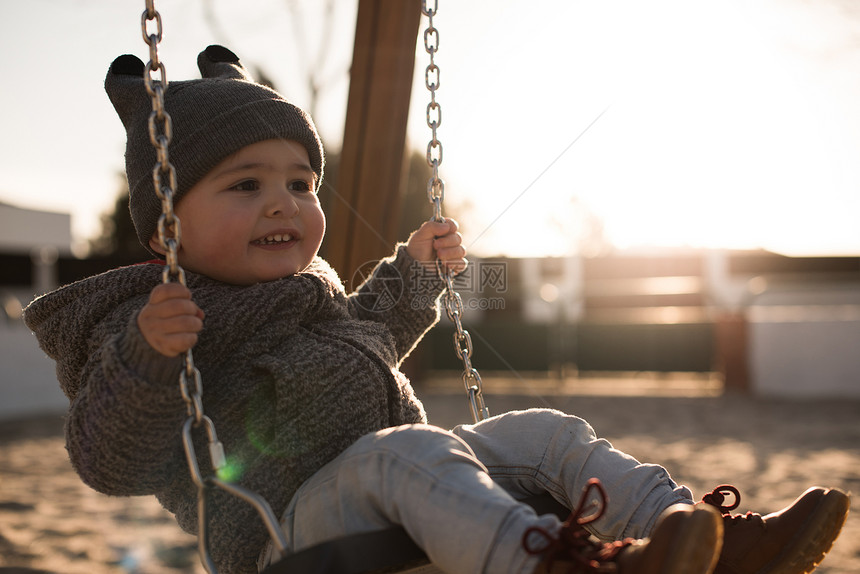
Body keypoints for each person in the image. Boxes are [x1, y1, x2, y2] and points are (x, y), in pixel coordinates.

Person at [24, 45, 849, 574]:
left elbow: (373, 330)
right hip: (280, 531)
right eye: (246, 185)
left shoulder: (307, 295)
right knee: (408, 453)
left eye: (301, 184)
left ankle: (700, 542)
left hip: (396, 475)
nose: (284, 206)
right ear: (168, 221)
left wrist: (414, 273)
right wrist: (148, 358)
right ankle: (562, 567)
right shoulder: (147, 320)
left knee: (546, 431)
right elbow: (110, 463)